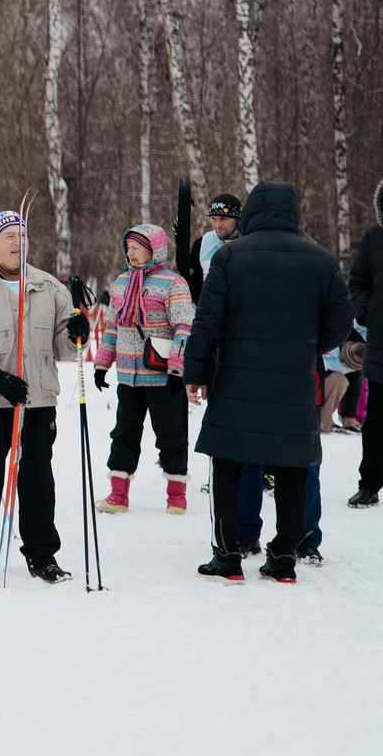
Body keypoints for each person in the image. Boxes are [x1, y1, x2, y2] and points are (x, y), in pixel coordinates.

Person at [185, 181, 353, 584]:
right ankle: (283, 560)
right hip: (296, 380)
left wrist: (196, 373)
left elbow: (208, 320)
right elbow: (341, 323)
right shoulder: (321, 260)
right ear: (294, 213)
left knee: (227, 466)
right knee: (294, 466)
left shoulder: (229, 257)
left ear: (254, 212)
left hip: (235, 376)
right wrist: (307, 346)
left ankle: (227, 558)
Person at [0, 208, 83, 585]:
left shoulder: (49, 287)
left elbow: (64, 347)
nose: (17, 243)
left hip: (38, 402)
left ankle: (42, 555)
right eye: (9, 236)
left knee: (38, 478)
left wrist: (75, 333)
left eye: (22, 235)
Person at [92, 223, 195, 516]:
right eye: (129, 247)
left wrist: (177, 368)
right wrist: (102, 363)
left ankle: (177, 495)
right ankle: (118, 495)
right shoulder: (122, 282)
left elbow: (184, 328)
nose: (130, 252)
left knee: (170, 435)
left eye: (137, 247)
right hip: (128, 375)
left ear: (154, 250)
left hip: (162, 375)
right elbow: (113, 326)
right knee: (124, 433)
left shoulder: (173, 283)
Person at [350, 180, 383, 507]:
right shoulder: (374, 238)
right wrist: (366, 311)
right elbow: (358, 281)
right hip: (380, 349)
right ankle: (370, 484)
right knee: (375, 423)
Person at [198, 193, 242, 276]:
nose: (218, 225)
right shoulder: (204, 241)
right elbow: (194, 280)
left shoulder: (248, 242)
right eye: (214, 219)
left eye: (223, 219)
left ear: (237, 219)